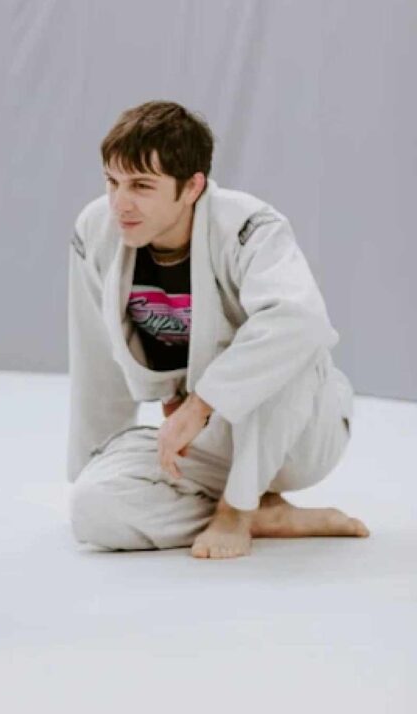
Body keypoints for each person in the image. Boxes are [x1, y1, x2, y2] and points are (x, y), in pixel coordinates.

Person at [66, 101, 368, 560]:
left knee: (288, 344)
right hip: (210, 444)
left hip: (299, 430)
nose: (120, 204)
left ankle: (238, 510)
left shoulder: (251, 226)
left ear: (191, 188)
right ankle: (265, 514)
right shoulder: (97, 230)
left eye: (142, 186)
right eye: (113, 181)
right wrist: (95, 464)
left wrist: (200, 404)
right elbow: (94, 355)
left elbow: (301, 322)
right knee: (92, 509)